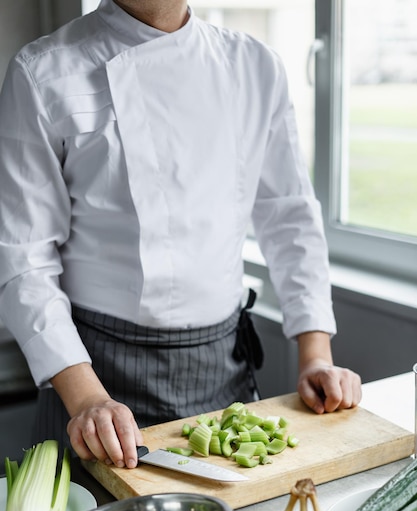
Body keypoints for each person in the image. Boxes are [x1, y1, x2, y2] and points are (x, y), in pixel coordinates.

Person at [0, 0, 362, 470]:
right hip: (92, 378)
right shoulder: (43, 71)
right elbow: (23, 257)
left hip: (223, 374)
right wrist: (87, 397)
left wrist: (315, 354)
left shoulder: (255, 66)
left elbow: (289, 216)